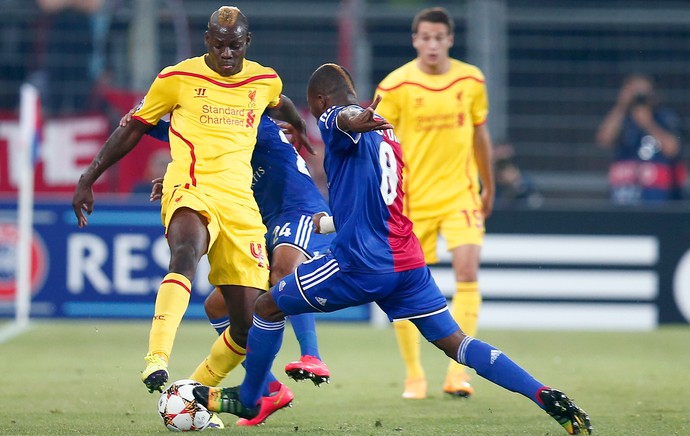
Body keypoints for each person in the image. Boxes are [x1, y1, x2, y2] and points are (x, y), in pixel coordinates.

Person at [191, 63, 592, 435]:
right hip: (408, 263)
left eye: (315, 109)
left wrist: (348, 118)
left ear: (319, 102)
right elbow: (378, 198)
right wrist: (330, 222)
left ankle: (250, 397)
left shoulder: (337, 117)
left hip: (361, 263)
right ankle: (543, 394)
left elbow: (342, 118)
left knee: (266, 307)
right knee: (456, 343)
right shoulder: (387, 132)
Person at [72, 5, 310, 404]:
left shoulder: (264, 80)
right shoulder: (176, 77)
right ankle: (156, 358)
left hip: (241, 206)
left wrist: (298, 125)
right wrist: (88, 178)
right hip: (191, 187)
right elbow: (132, 127)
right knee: (185, 252)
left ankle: (193, 394)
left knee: (246, 328)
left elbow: (279, 102)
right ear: (207, 41)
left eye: (234, 46)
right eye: (219, 46)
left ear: (247, 43)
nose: (227, 54)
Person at [137, 112, 334, 426]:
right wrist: (178, 177)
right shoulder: (227, 137)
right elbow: (195, 148)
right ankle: (268, 389)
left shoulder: (245, 120)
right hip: (263, 221)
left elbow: (188, 134)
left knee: (283, 273)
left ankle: (312, 355)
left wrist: (142, 120)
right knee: (217, 306)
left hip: (299, 211)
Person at [374, 7, 495, 399]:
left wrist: (487, 185)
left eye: (438, 37)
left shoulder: (471, 79)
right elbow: (378, 146)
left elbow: (480, 134)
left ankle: (458, 372)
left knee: (467, 271)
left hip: (460, 193)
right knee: (404, 287)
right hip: (411, 202)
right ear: (415, 40)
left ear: (449, 40)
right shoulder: (394, 87)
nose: (431, 44)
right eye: (424, 37)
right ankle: (414, 376)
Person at [595, 73, 686, 204]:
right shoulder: (622, 119)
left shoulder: (665, 117)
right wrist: (621, 106)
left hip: (657, 195)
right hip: (624, 193)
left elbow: (672, 149)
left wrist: (648, 123)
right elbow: (604, 139)